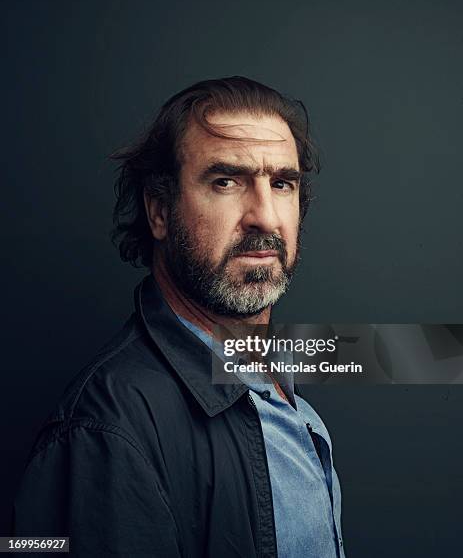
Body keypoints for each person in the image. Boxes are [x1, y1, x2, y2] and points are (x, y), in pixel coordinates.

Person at [13, 77, 345, 557]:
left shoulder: (275, 375)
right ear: (159, 211)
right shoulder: (104, 431)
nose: (265, 217)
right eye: (226, 181)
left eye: (281, 183)